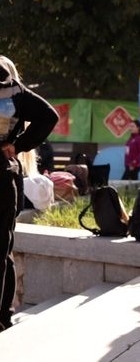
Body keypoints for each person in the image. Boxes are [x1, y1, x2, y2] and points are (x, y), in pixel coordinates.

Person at [0, 55, 58, 332]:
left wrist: (18, 145)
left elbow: (49, 117)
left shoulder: (12, 89)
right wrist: (18, 145)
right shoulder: (13, 90)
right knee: (4, 249)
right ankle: (3, 317)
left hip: (4, 174)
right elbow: (48, 116)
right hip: (4, 173)